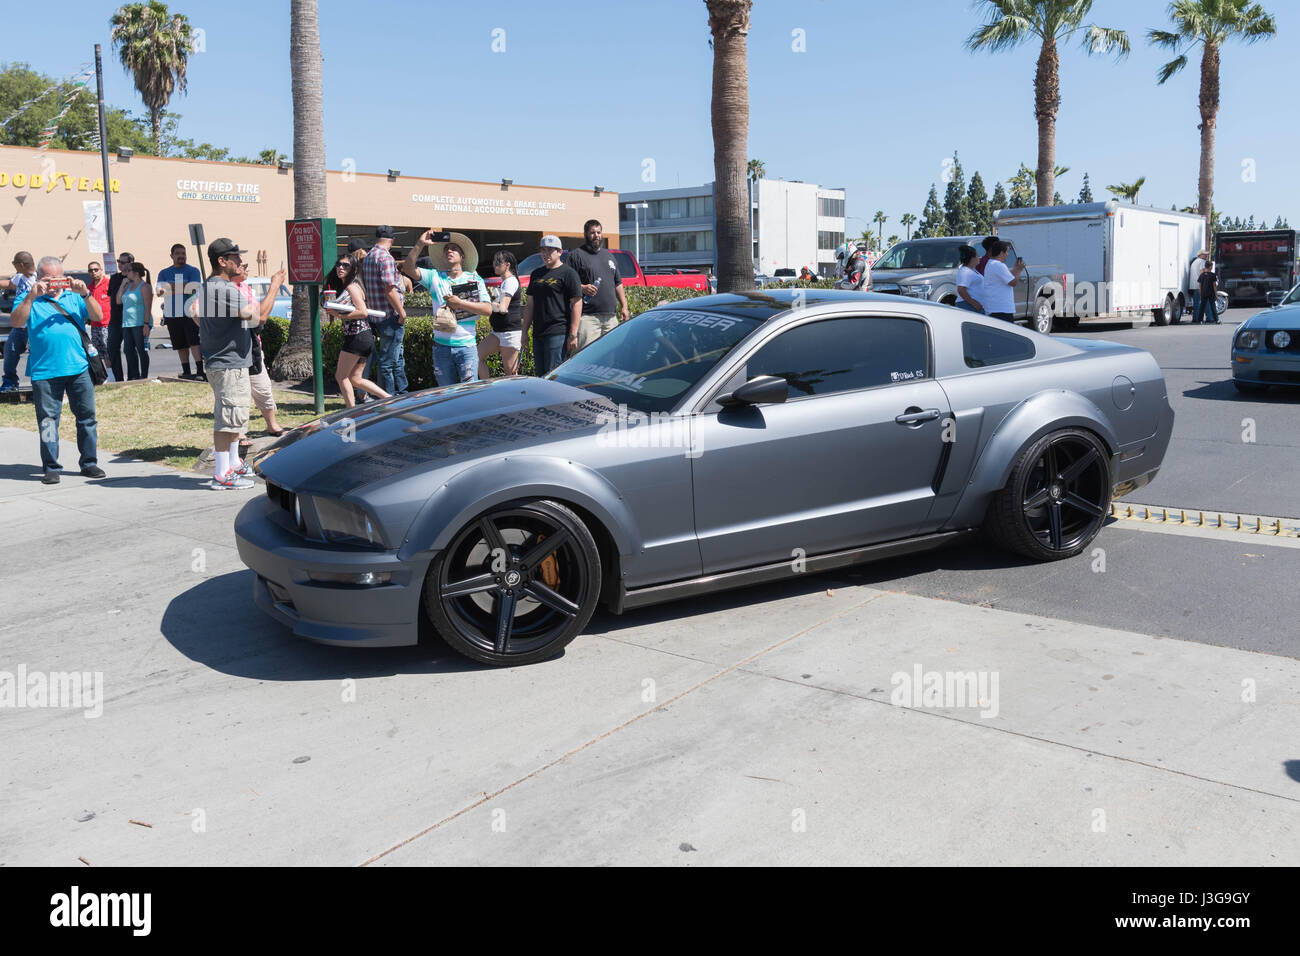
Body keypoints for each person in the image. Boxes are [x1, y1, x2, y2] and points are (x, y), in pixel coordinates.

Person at [8, 256, 104, 483]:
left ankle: (89, 463)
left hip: (78, 369)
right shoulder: (28, 297)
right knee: (48, 421)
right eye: (49, 279)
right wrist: (32, 296)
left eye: (59, 278)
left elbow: (98, 317)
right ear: (39, 278)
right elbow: (16, 321)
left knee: (87, 419)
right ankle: (51, 466)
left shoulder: (74, 296)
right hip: (45, 372)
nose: (54, 283)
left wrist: (86, 294)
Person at [194, 238, 260, 490]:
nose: (241, 262)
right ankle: (222, 474)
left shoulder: (213, 287)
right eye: (236, 257)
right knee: (228, 418)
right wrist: (274, 285)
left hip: (227, 362)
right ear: (222, 261)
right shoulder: (223, 289)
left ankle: (231, 465)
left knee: (235, 417)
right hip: (227, 363)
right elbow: (256, 317)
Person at [401, 230, 491, 386]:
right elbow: (408, 268)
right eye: (447, 249)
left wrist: (461, 303)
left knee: (468, 393)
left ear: (463, 256)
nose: (449, 250)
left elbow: (488, 309)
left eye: (454, 248)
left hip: (466, 347)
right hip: (441, 348)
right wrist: (420, 243)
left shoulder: (474, 279)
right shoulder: (435, 277)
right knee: (444, 395)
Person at [325, 256, 389, 407]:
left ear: (353, 269)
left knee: (341, 376)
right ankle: (388, 398)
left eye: (345, 266)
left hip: (357, 336)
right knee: (355, 379)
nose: (340, 268)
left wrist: (339, 315)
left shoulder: (352, 287)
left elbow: (363, 312)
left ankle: (350, 410)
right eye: (338, 264)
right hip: (363, 337)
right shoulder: (350, 286)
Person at [232, 258, 287, 436]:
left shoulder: (245, 287)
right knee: (239, 394)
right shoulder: (228, 291)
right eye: (243, 266)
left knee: (263, 388)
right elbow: (260, 317)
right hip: (236, 351)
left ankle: (272, 424)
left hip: (253, 347)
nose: (247, 269)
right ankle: (240, 433)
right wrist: (274, 285)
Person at [521, 235, 582, 377]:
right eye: (543, 250)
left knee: (553, 376)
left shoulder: (569, 273)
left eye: (550, 250)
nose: (545, 254)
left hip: (558, 332)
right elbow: (530, 305)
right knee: (541, 376)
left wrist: (573, 334)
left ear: (559, 252)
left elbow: (577, 303)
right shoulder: (536, 274)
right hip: (538, 333)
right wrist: (524, 332)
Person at [566, 219, 629, 350]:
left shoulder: (609, 256)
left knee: (611, 355)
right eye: (592, 232)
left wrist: (624, 306)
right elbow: (566, 283)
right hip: (588, 318)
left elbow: (618, 283)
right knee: (586, 356)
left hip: (610, 318)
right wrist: (582, 288)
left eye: (599, 232)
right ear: (585, 234)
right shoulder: (575, 256)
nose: (596, 235)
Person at [360, 225, 407, 395]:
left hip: (375, 316)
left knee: (395, 357)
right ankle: (391, 397)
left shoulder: (369, 256)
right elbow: (389, 289)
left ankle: (401, 392)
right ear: (392, 240)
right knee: (390, 360)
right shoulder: (385, 258)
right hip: (390, 315)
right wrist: (401, 312)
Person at [157, 243, 205, 379]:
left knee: (194, 342)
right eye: (178, 253)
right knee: (180, 344)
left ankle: (200, 371)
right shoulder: (164, 272)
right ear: (171, 255)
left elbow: (193, 288)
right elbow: (160, 292)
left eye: (183, 253)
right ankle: (186, 372)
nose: (181, 256)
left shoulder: (193, 271)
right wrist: (183, 286)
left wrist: (169, 287)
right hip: (172, 313)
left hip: (190, 313)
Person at [477, 251, 523, 378]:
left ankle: (516, 397)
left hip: (509, 332)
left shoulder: (510, 281)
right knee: (477, 357)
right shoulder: (505, 282)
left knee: (510, 374)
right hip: (498, 331)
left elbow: (503, 308)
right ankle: (487, 389)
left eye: (498, 262)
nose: (494, 265)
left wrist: (485, 305)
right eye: (494, 262)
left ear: (507, 265)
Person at [1, 251, 37, 392]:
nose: (13, 266)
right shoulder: (20, 277)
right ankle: (10, 383)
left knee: (35, 357)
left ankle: (38, 387)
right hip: (19, 327)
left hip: (33, 328)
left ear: (21, 264)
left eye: (14, 264)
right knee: (10, 352)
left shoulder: (39, 278)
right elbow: (9, 284)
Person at [116, 261, 153, 380]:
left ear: (136, 273)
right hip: (127, 323)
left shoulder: (144, 287)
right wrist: (122, 285)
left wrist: (146, 324)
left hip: (140, 323)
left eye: (129, 271)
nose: (126, 273)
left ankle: (144, 376)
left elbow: (148, 307)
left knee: (141, 350)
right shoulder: (127, 286)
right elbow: (118, 301)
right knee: (128, 350)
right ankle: (134, 375)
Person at [104, 250, 135, 382]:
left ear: (131, 263)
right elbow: (111, 296)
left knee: (129, 350)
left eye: (123, 262)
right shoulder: (114, 278)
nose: (120, 264)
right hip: (115, 320)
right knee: (112, 349)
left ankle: (134, 377)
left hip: (129, 319)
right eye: (118, 262)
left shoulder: (134, 279)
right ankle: (118, 378)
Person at [978, 240, 1023, 322]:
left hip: (995, 308)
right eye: (1007, 252)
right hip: (1001, 310)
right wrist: (1019, 270)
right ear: (1001, 253)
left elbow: (1006, 276)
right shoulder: (999, 265)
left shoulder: (991, 263)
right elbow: (1013, 282)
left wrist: (1015, 269)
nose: (1007, 254)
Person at [86, 260, 111, 365]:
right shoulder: (89, 287)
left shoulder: (108, 284)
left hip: (107, 324)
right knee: (97, 354)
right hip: (95, 325)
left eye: (96, 270)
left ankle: (112, 376)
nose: (94, 272)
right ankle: (104, 376)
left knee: (108, 353)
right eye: (91, 270)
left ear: (101, 270)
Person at [955, 245, 985, 313]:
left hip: (975, 306)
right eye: (977, 256)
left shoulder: (973, 270)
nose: (979, 258)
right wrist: (974, 303)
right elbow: (961, 289)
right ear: (972, 258)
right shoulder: (965, 271)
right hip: (968, 305)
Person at [1196, 259, 1220, 324]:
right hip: (1211, 293)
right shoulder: (1213, 275)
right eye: (1212, 266)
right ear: (1210, 267)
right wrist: (1216, 295)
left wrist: (1200, 294)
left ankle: (1200, 320)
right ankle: (1217, 320)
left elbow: (1200, 285)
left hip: (1204, 293)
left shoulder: (1202, 275)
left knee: (1202, 307)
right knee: (1213, 306)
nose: (1212, 267)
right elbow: (1214, 285)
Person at [1188, 249, 1209, 324]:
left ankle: (1195, 318)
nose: (1206, 256)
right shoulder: (1202, 262)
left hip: (1193, 285)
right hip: (1200, 285)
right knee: (1204, 302)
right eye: (1204, 254)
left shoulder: (1194, 262)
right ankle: (1207, 318)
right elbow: (1202, 274)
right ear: (1200, 255)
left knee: (1196, 303)